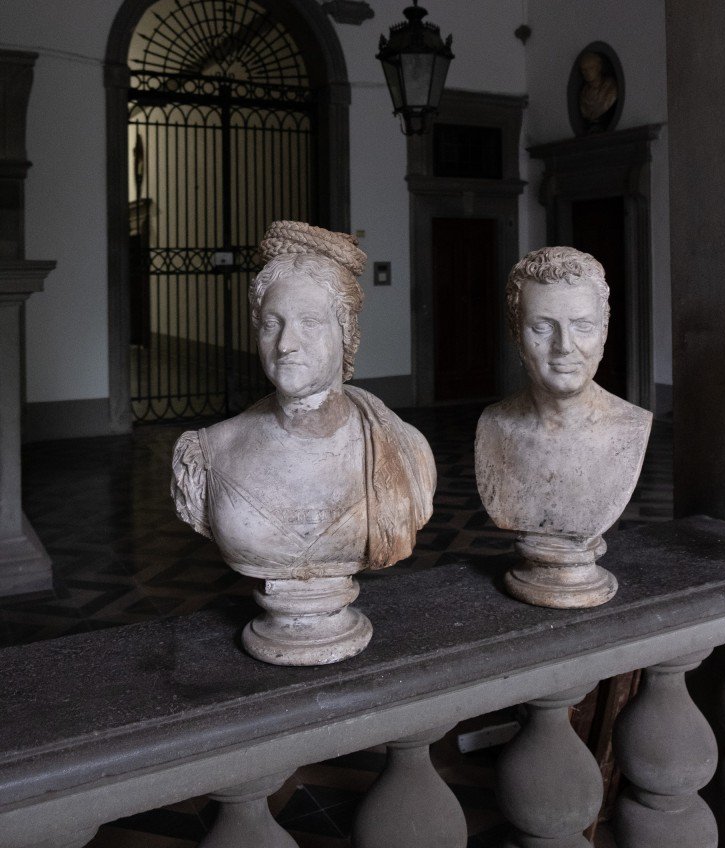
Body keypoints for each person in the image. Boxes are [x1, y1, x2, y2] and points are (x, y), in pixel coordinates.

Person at [171, 220, 435, 661]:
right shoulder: (208, 454)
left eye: (309, 322)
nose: (285, 344)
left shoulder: (406, 451)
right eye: (271, 324)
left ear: (346, 332)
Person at [475, 245, 651, 606]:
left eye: (582, 326)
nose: (564, 346)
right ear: (516, 333)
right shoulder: (494, 426)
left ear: (604, 331)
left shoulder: (631, 427)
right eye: (542, 327)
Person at [578, 49, 618, 130]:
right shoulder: (583, 94)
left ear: (599, 67)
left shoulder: (611, 87)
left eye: (591, 68)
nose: (587, 72)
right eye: (584, 70)